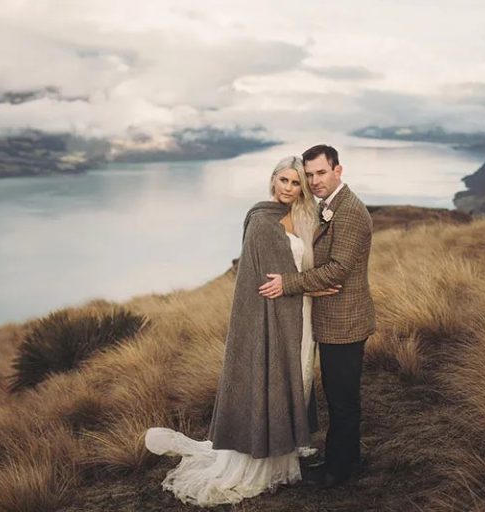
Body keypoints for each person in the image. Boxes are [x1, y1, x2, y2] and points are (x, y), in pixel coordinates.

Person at [144, 156, 339, 507]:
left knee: (299, 377)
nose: (289, 189)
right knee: (278, 378)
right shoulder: (262, 220)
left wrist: (311, 288)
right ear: (272, 180)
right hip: (274, 316)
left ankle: (283, 456)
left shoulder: (304, 217)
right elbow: (268, 284)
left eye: (296, 183)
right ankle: (261, 462)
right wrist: (309, 288)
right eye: (284, 180)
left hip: (300, 314)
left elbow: (294, 272)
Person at [259, 144, 376, 489]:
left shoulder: (350, 211)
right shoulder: (328, 207)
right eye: (308, 175)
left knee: (342, 399)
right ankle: (345, 457)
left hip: (346, 320)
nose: (314, 181)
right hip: (331, 319)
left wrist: (291, 284)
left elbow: (338, 269)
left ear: (338, 170)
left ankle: (340, 470)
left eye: (320, 173)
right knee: (338, 395)